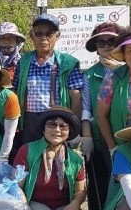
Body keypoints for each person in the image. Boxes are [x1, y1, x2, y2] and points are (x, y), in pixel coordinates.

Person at [12, 14, 91, 158]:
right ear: (32, 36)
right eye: (39, 33)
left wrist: (74, 127)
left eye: (49, 33)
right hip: (29, 121)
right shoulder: (24, 61)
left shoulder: (68, 62)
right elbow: (16, 91)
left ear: (57, 36)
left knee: (57, 159)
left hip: (57, 119)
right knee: (31, 158)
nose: (44, 37)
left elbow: (76, 96)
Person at [13, 107, 88, 210]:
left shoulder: (75, 160)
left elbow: (80, 191)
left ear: (69, 131)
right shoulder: (27, 150)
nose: (57, 130)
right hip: (34, 203)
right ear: (43, 129)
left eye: (63, 126)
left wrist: (74, 204)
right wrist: (25, 209)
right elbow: (16, 186)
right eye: (52, 125)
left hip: (62, 206)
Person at [82, 22, 124, 210]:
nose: (107, 46)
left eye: (112, 41)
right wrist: (87, 137)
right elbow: (86, 109)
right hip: (99, 139)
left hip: (127, 138)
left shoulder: (128, 71)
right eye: (102, 42)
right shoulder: (89, 74)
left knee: (123, 185)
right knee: (101, 182)